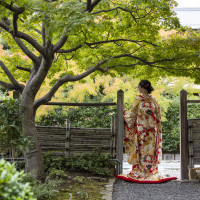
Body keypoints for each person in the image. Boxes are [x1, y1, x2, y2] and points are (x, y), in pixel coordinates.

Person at [115, 80, 177, 183]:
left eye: (139, 86)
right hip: (142, 130)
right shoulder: (138, 99)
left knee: (151, 150)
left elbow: (158, 115)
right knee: (141, 149)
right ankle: (141, 171)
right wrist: (125, 111)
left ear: (143, 88)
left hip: (151, 130)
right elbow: (133, 115)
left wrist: (127, 112)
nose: (138, 88)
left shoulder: (153, 100)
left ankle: (151, 171)